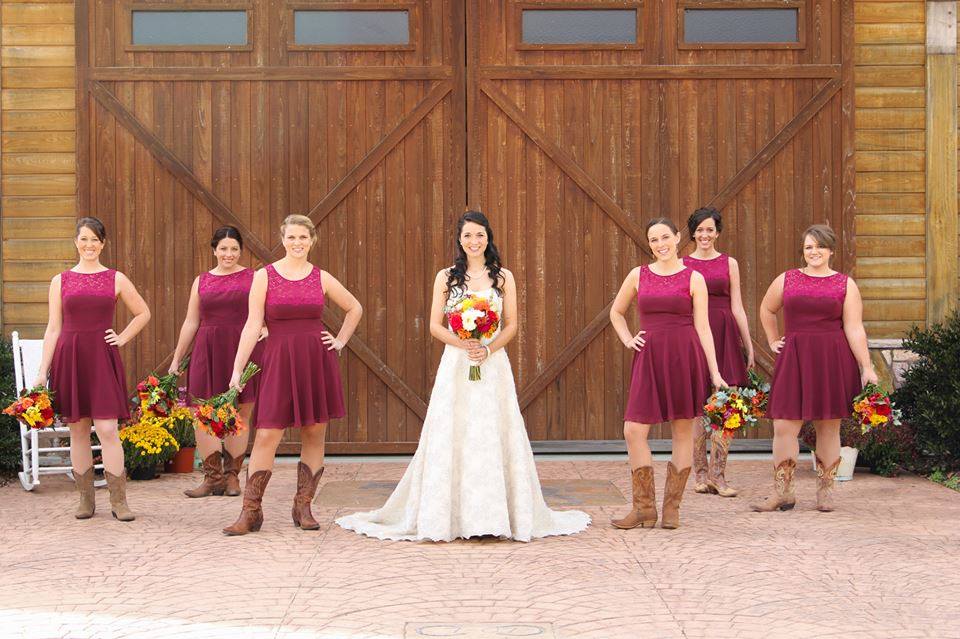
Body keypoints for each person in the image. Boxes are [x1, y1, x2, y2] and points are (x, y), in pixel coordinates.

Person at [336, 211, 590, 542]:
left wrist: (487, 349)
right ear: (459, 239)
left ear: (489, 237)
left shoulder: (503, 278)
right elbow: (434, 325)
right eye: (468, 235)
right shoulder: (446, 277)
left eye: (480, 235)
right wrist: (464, 343)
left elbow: (511, 323)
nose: (474, 241)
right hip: (457, 364)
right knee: (453, 431)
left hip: (493, 364)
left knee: (491, 431)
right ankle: (450, 517)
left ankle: (495, 516)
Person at [223, 214, 362, 535]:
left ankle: (303, 506)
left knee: (314, 433)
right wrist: (237, 368)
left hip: (315, 361)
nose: (297, 243)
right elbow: (251, 324)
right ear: (282, 240)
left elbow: (355, 307)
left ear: (312, 240)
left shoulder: (321, 277)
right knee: (268, 434)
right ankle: (251, 511)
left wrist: (339, 340)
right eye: (291, 238)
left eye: (303, 237)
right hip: (278, 361)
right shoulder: (264, 277)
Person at [609, 218, 725, 530]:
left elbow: (703, 327)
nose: (661, 244)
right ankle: (644, 508)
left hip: (684, 357)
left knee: (683, 430)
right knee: (633, 430)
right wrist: (627, 338)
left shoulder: (694, 278)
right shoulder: (638, 275)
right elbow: (616, 312)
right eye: (654, 240)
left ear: (677, 237)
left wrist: (715, 371)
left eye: (665, 237)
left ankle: (671, 509)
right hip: (649, 358)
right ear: (649, 244)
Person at [752, 224, 877, 513]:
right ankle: (783, 493)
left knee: (829, 427)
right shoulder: (787, 279)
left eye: (820, 246)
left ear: (831, 250)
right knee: (783, 425)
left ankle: (826, 493)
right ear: (803, 251)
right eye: (809, 247)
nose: (814, 252)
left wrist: (867, 366)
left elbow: (854, 327)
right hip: (795, 357)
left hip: (832, 360)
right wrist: (772, 339)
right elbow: (767, 309)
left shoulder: (845, 284)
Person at [33, 216, 151, 521]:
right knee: (78, 429)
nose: (89, 245)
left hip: (101, 358)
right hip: (70, 358)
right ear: (76, 242)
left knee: (109, 428)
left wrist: (121, 337)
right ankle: (85, 500)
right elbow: (53, 328)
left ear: (103, 244)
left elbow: (142, 313)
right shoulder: (60, 281)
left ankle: (119, 500)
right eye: (84, 239)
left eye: (95, 240)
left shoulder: (116, 278)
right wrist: (41, 371)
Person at [169, 226, 266, 498]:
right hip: (207, 349)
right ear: (214, 250)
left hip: (244, 349)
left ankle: (232, 476)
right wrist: (177, 358)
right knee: (201, 413)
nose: (229, 254)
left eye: (234, 249)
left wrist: (267, 329)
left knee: (241, 413)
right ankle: (212, 478)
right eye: (223, 248)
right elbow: (191, 321)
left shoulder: (254, 277)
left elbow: (267, 312)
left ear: (240, 251)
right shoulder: (201, 281)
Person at [683, 207, 753, 497]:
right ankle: (699, 474)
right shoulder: (683, 264)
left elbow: (737, 305)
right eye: (699, 230)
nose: (704, 235)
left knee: (729, 403)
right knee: (699, 404)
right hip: (696, 333)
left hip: (725, 333)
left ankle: (718, 475)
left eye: (709, 229)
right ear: (693, 234)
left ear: (718, 232)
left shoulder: (729, 263)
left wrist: (748, 345)